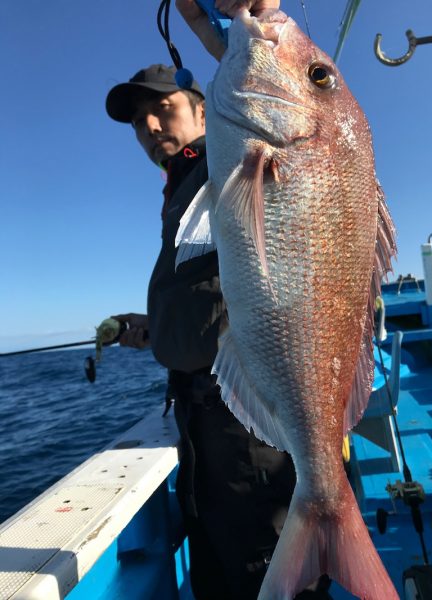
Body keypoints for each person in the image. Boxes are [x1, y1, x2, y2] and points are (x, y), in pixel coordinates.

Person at [105, 4, 332, 600]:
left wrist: (245, 31)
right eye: (139, 121)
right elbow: (213, 294)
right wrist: (151, 329)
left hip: (248, 429)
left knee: (272, 579)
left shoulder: (226, 154)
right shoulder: (180, 186)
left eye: (164, 108)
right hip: (203, 428)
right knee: (221, 578)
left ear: (203, 108)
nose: (151, 126)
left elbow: (279, 113)